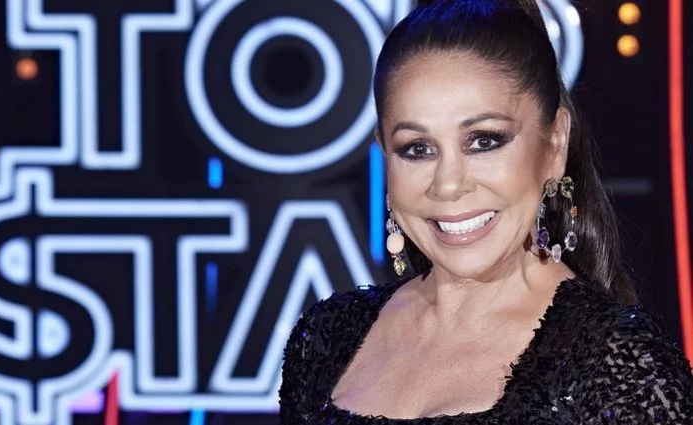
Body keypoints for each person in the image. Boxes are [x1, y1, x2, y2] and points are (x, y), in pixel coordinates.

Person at [278, 0, 693, 423]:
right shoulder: (326, 339)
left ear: (554, 146)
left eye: (484, 141)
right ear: (385, 153)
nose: (448, 184)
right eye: (417, 149)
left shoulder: (620, 368)